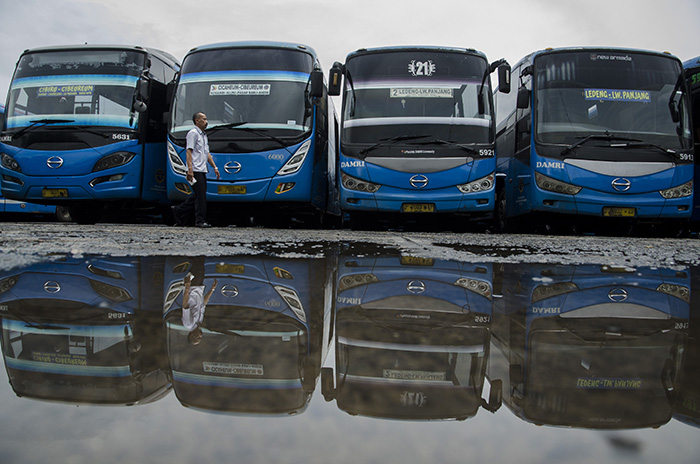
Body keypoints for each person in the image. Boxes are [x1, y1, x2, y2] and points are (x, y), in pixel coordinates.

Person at [172, 112, 219, 228]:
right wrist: (190, 169)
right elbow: (189, 151)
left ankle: (178, 210)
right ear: (197, 121)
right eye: (204, 119)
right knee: (200, 196)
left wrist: (214, 167)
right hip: (195, 169)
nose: (206, 121)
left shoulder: (204, 135)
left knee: (198, 194)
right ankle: (200, 220)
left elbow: (207, 153)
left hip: (202, 169)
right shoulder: (193, 134)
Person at [181, 257, 217, 345]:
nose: (201, 335)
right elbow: (203, 304)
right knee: (199, 265)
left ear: (191, 336)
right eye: (200, 338)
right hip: (198, 289)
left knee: (199, 265)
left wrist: (187, 287)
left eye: (198, 337)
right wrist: (211, 290)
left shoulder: (188, 324)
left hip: (192, 288)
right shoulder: (199, 323)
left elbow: (185, 305)